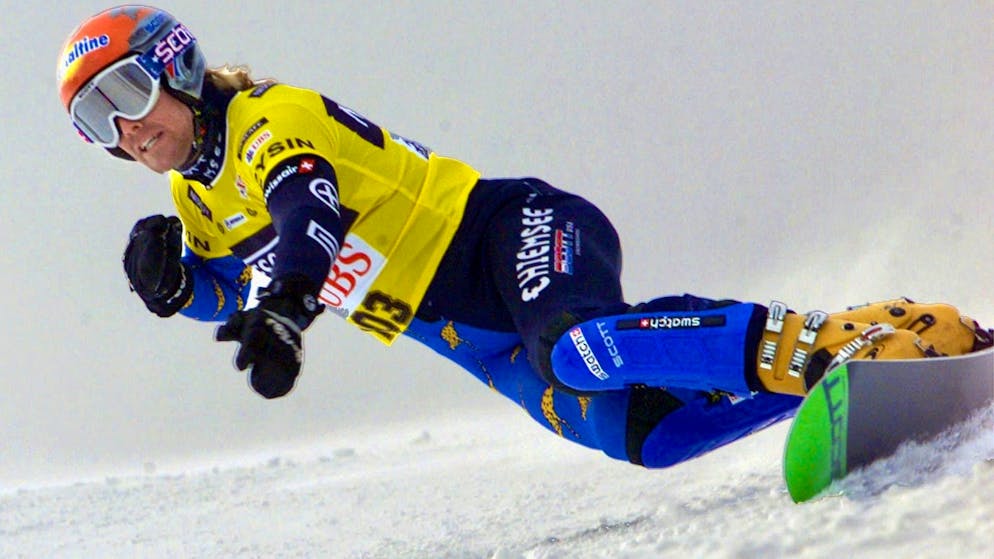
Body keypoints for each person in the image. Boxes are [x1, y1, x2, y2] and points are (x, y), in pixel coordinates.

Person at [57, 5, 992, 468]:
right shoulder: (197, 198)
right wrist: (181, 291)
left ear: (176, 69)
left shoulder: (269, 118)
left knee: (584, 349)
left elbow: (308, 214)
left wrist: (294, 303)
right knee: (655, 437)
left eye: (128, 95)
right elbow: (237, 283)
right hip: (476, 340)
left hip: (509, 235)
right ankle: (843, 377)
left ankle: (828, 342)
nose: (127, 130)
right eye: (97, 122)